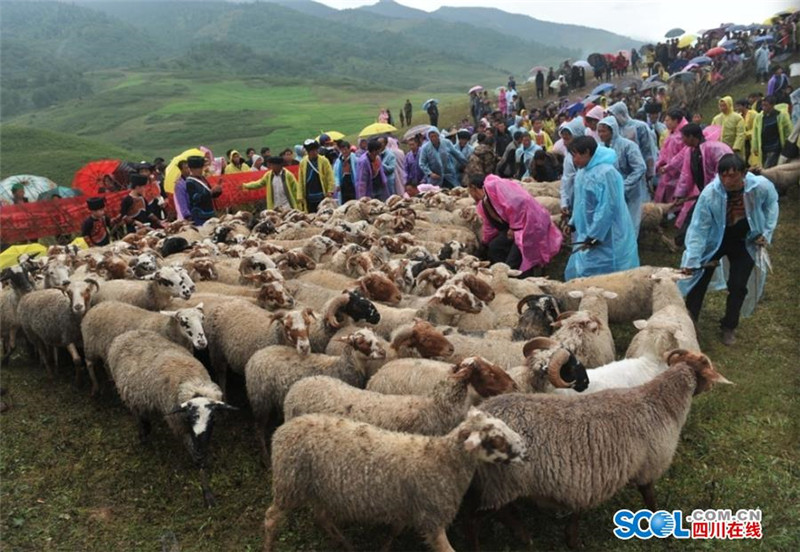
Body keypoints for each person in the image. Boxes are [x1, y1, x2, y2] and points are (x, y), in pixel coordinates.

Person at [679, 154, 779, 346]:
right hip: (715, 241)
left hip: (745, 241)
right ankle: (689, 324)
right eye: (724, 176)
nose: (728, 181)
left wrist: (766, 231)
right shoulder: (710, 194)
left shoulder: (760, 187)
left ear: (744, 173)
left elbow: (772, 203)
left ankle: (729, 326)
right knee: (698, 278)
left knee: (738, 284)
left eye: (733, 176)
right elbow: (699, 228)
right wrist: (692, 259)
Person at [564, 136, 639, 280]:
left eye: (576, 155)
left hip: (607, 234)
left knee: (607, 272)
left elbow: (607, 207)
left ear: (587, 152)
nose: (574, 160)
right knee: (586, 267)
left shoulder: (606, 173)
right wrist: (572, 222)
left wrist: (594, 236)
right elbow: (580, 202)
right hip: (587, 230)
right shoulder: (583, 172)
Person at [468, 174, 561, 277]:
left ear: (473, 188)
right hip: (514, 228)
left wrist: (514, 227)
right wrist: (485, 242)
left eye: (470, 192)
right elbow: (489, 226)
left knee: (518, 256)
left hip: (530, 224)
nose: (471, 196)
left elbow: (516, 203)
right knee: (495, 247)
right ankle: (503, 272)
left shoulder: (494, 186)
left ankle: (521, 279)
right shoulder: (484, 203)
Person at [672, 124, 733, 239]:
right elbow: (686, 174)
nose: (682, 140)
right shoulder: (691, 151)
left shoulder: (716, 149)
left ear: (691, 137)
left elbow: (724, 172)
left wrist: (713, 190)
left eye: (684, 137)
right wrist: (680, 194)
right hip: (705, 192)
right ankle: (683, 239)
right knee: (695, 215)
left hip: (719, 192)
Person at [597, 115, 648, 236]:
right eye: (599, 131)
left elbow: (640, 167)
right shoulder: (600, 148)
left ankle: (630, 247)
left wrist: (625, 184)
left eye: (603, 131)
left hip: (630, 191)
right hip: (611, 190)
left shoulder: (628, 146)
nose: (600, 134)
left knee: (630, 219)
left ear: (612, 130)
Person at [556, 118, 587, 221]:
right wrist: (564, 202)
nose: (564, 143)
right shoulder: (568, 157)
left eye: (567, 139)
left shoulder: (588, 156)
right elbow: (566, 180)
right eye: (563, 139)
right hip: (574, 201)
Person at [655, 108, 688, 203]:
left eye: (667, 120)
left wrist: (668, 167)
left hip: (678, 170)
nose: (665, 123)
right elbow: (664, 152)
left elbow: (681, 156)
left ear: (675, 121)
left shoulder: (683, 135)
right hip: (669, 169)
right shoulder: (672, 133)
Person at [751, 95, 794, 169]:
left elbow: (788, 130)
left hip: (775, 147)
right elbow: (755, 133)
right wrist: (755, 147)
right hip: (764, 147)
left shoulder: (781, 115)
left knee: (768, 167)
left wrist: (789, 144)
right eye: (762, 105)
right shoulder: (759, 117)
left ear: (772, 105)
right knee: (765, 165)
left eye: (766, 105)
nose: (763, 107)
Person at [184, 156, 222, 226]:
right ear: (191, 169)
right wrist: (211, 192)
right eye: (198, 168)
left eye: (201, 167)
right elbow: (196, 198)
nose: (200, 170)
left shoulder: (203, 178)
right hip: (200, 215)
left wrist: (217, 191)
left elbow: (210, 194)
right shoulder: (190, 182)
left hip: (210, 212)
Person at [298, 139, 334, 213]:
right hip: (309, 196)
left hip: (322, 195)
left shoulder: (324, 161)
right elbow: (301, 180)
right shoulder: (303, 162)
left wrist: (330, 190)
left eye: (315, 150)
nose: (314, 152)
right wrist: (300, 195)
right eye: (311, 151)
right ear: (308, 152)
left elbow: (330, 176)